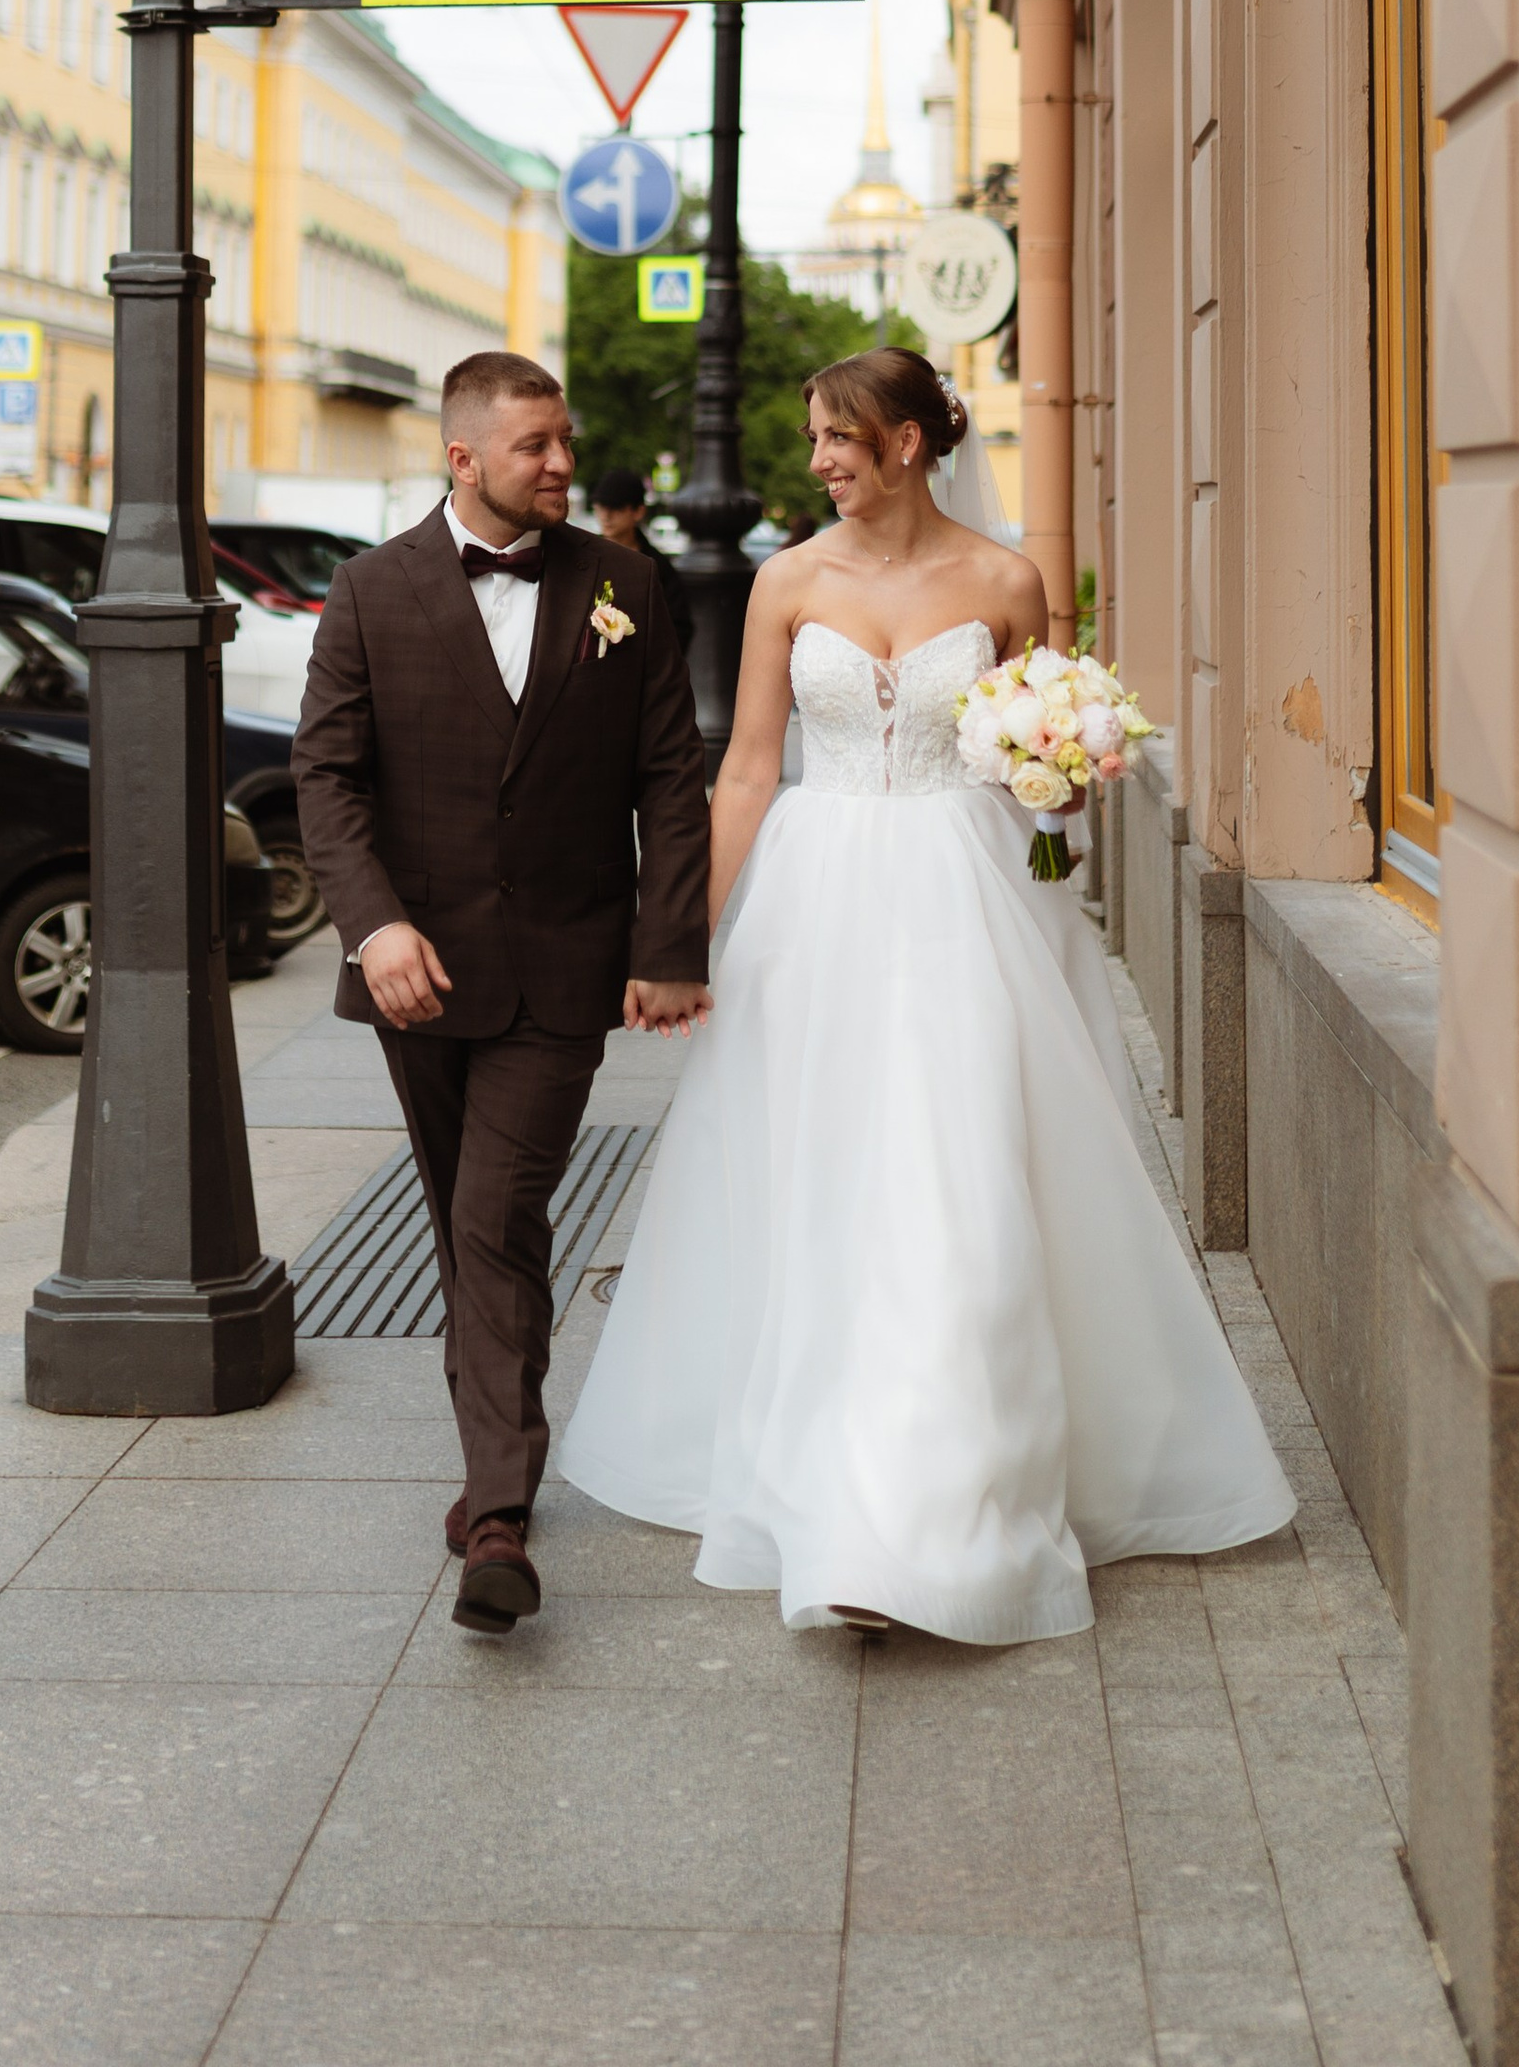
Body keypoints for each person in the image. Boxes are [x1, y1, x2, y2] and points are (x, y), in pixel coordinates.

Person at [557, 344, 1294, 1646]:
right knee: (826, 1181)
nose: (823, 462)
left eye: (842, 438)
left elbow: (1040, 791)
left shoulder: (1007, 582)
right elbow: (744, 775)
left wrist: (1063, 761)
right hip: (816, 906)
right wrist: (676, 939)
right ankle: (829, 1492)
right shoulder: (787, 580)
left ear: (909, 442)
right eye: (812, 442)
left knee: (958, 1189)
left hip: (969, 906)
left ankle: (947, 1511)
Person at [291, 352, 710, 1637]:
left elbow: (668, 781)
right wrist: (375, 928)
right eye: (535, 446)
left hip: (562, 967)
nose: (563, 465)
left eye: (564, 441)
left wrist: (669, 944)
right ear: (462, 457)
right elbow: (327, 774)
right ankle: (498, 1454)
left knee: (494, 1211)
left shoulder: (624, 585)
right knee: (470, 1225)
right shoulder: (369, 591)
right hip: (421, 973)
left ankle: (496, 1515)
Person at [586, 464, 693, 650]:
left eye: (616, 508)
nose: (606, 515)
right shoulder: (584, 558)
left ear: (639, 512)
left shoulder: (657, 567)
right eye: (600, 507)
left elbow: (679, 627)